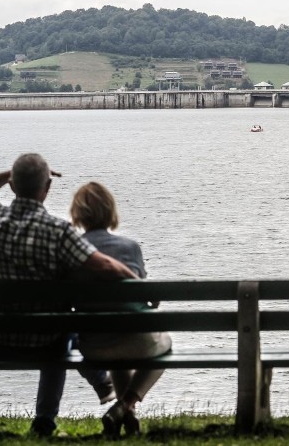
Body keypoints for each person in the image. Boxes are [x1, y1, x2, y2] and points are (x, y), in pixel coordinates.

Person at [0, 153, 138, 437]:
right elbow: (105, 265)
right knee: (62, 327)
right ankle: (50, 418)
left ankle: (98, 387)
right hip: (46, 341)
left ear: (12, 186)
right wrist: (137, 282)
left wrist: (11, 173)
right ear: (47, 187)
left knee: (61, 326)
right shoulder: (59, 231)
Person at [69, 181, 171, 438]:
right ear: (110, 212)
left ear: (78, 214)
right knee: (165, 345)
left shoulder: (69, 252)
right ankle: (125, 406)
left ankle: (125, 413)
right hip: (136, 343)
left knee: (114, 338)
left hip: (93, 347)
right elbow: (146, 295)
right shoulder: (130, 247)